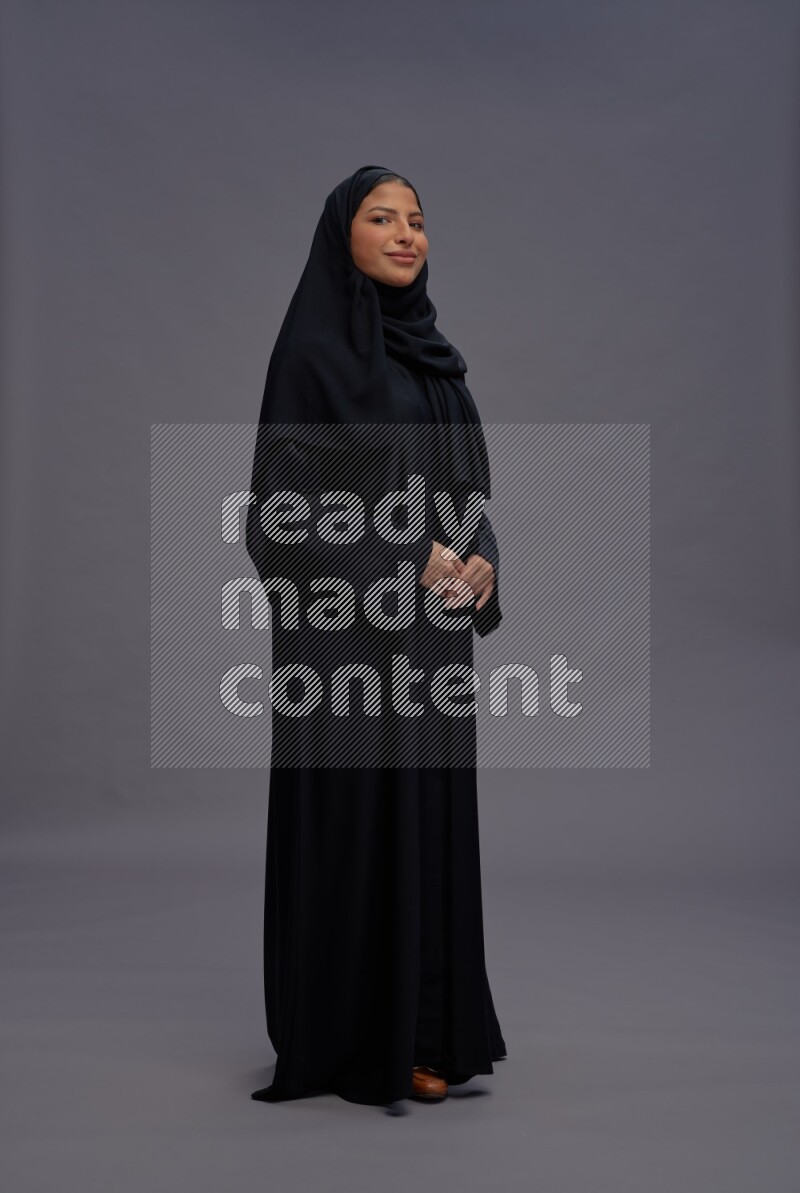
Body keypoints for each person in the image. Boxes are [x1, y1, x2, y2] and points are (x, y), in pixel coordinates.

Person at [245, 165, 506, 1106]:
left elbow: (467, 503)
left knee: (428, 827)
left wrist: (479, 566)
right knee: (356, 830)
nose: (406, 234)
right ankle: (357, 1040)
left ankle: (429, 1032)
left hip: (432, 648)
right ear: (339, 236)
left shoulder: (437, 362)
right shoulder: (311, 354)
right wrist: (407, 557)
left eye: (419, 221)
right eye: (382, 217)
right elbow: (276, 517)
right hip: (343, 652)